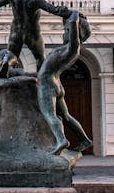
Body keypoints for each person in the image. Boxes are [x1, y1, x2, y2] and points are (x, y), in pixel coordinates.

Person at [37, 10, 94, 155]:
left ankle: (61, 140)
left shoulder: (73, 47)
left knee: (50, 115)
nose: (64, 33)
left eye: (66, 30)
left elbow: (74, 25)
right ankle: (85, 140)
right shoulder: (65, 48)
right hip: (56, 83)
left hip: (47, 84)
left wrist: (73, 15)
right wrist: (65, 16)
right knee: (66, 116)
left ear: (74, 32)